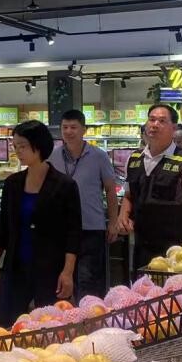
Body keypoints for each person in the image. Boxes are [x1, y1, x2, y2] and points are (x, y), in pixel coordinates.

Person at [0, 120, 81, 327]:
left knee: (50, 326)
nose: (18, 151)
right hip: (16, 266)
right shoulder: (12, 184)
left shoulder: (64, 185)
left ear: (38, 146)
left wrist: (68, 272)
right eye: (15, 146)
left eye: (22, 146)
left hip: (50, 268)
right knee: (6, 324)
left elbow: (73, 233)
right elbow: (4, 226)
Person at [115, 104, 182, 273]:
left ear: (174, 128)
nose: (155, 124)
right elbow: (129, 195)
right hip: (141, 246)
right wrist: (123, 214)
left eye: (162, 121)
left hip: (177, 251)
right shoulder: (134, 159)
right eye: (152, 120)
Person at [47, 109, 120, 300]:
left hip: (91, 227)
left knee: (88, 281)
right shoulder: (53, 156)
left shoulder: (99, 156)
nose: (68, 131)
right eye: (65, 127)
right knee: (61, 281)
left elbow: (110, 190)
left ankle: (90, 314)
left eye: (73, 127)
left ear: (84, 130)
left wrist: (113, 222)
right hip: (61, 230)